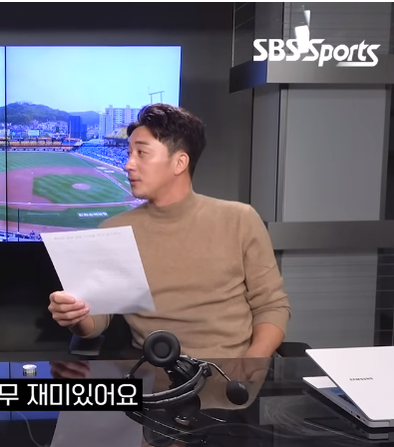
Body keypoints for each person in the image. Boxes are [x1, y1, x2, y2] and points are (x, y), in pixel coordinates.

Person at [48, 104, 291, 359]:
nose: (128, 165)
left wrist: (250, 365)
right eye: (129, 154)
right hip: (150, 372)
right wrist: (75, 316)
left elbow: (272, 306)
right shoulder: (113, 231)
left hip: (231, 373)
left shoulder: (240, 220)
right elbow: (96, 321)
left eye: (142, 153)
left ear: (179, 162)